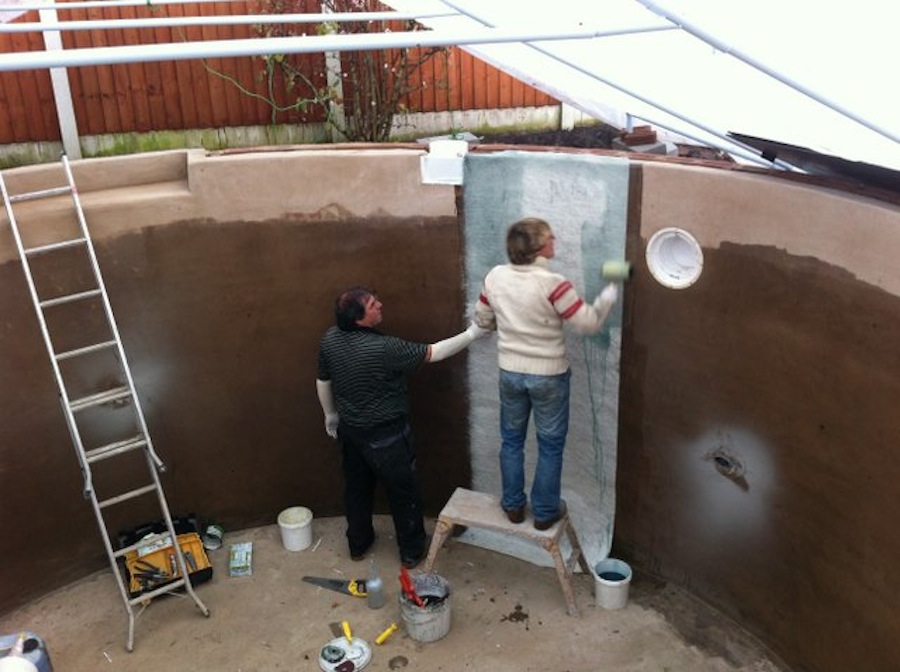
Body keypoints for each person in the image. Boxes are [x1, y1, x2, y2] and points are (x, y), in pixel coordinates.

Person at [316, 286, 489, 568]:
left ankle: (358, 545)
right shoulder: (384, 348)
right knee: (404, 493)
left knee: (357, 490)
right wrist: (474, 333)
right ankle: (411, 551)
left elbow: (323, 381)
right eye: (373, 304)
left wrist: (330, 415)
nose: (381, 305)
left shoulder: (330, 340)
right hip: (387, 437)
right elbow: (433, 353)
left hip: (350, 433)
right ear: (359, 318)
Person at [474, 217, 619, 530]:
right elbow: (588, 324)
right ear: (539, 247)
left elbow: (483, 319)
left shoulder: (495, 277)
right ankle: (543, 513)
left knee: (511, 441)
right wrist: (607, 297)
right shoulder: (554, 284)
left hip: (510, 373)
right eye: (550, 238)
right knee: (550, 446)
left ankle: (513, 506)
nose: (555, 241)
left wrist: (510, 318)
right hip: (549, 377)